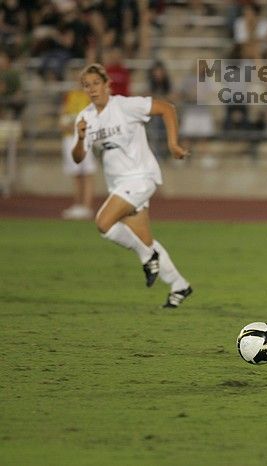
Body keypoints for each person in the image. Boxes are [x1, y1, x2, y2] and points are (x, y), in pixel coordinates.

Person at [71, 63, 193, 308]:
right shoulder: (85, 118)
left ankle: (148, 257)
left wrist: (172, 145)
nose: (92, 89)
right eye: (87, 85)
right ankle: (180, 285)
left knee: (103, 223)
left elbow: (166, 109)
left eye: (96, 83)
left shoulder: (125, 106)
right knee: (144, 239)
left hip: (141, 177)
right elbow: (78, 158)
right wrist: (81, 137)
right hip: (118, 184)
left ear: (107, 85)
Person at [60, 69, 95, 220]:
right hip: (69, 137)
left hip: (84, 137)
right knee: (76, 173)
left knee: (86, 173)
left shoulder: (90, 97)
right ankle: (78, 204)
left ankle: (87, 206)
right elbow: (63, 118)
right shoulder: (70, 96)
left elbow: (93, 119)